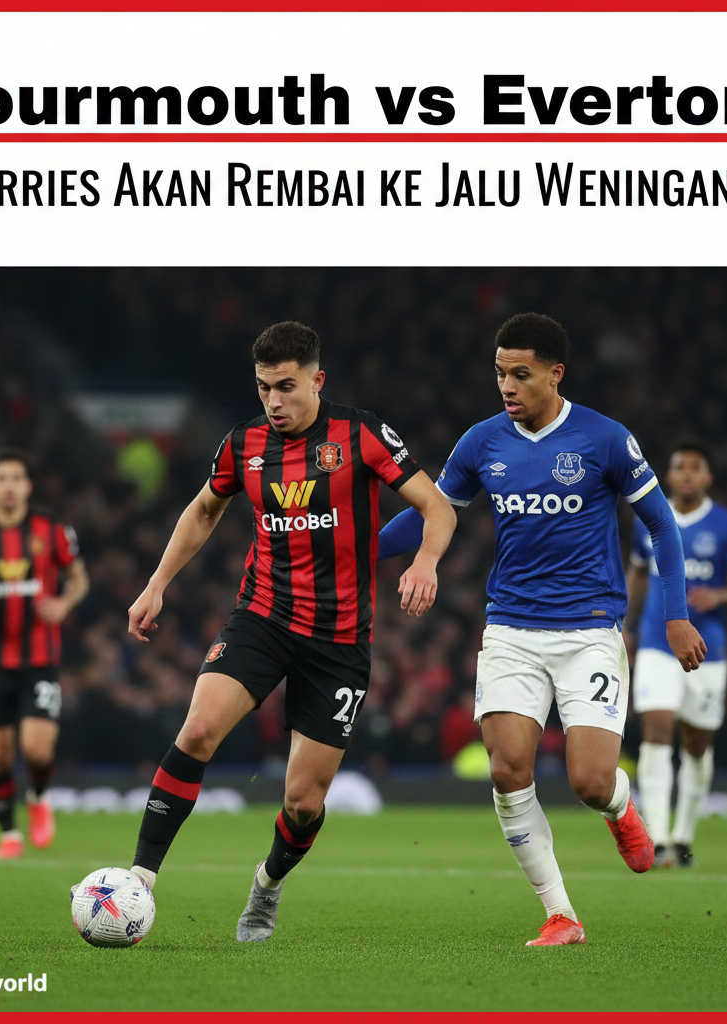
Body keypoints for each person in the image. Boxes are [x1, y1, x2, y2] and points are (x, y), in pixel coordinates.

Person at [378, 313, 706, 946]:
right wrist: (356, 547)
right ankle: (561, 914)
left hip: (589, 631)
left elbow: (662, 526)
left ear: (556, 374)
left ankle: (619, 804)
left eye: (521, 374)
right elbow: (428, 514)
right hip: (511, 629)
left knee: (589, 781)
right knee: (508, 771)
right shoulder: (481, 443)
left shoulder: (605, 439)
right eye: (500, 373)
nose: (507, 385)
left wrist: (675, 615)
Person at [126, 321, 456, 942]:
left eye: (285, 386)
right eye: (263, 387)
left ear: (316, 380)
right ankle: (138, 879)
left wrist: (426, 561)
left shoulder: (359, 434)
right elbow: (204, 510)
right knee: (197, 729)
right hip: (263, 616)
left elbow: (435, 505)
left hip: (339, 640)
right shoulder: (243, 443)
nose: (273, 401)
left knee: (303, 803)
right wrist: (157, 583)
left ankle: (267, 883)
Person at [0, 447, 89, 858]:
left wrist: (64, 603)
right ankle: (9, 835)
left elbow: (79, 579)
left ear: (28, 486)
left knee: (37, 748)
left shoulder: (52, 531)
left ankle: (38, 797)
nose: (9, 486)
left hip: (41, 657)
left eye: (16, 478)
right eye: (1, 478)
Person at [625, 440, 727, 868]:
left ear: (708, 477)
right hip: (655, 643)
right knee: (656, 730)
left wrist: (719, 595)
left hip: (707, 650)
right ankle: (659, 840)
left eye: (695, 467)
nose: (686, 473)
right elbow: (638, 574)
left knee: (697, 744)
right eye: (679, 466)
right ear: (667, 475)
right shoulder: (648, 518)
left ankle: (683, 837)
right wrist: (624, 626)